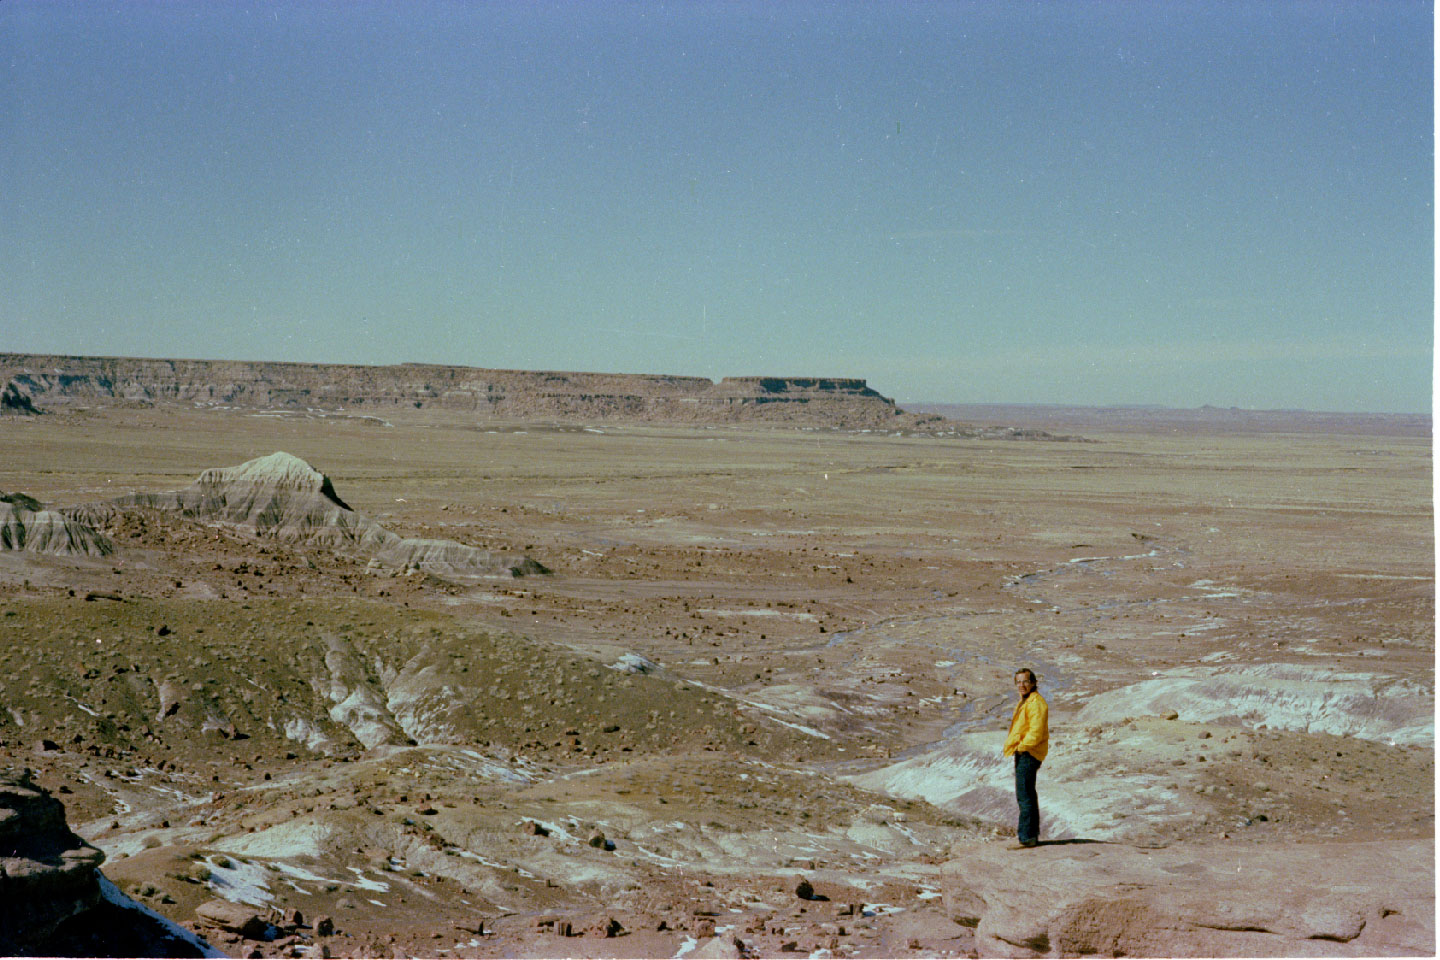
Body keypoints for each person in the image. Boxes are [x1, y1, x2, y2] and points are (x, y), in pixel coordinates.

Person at [1002, 667, 1048, 848]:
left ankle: (1027, 837)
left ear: (1034, 683)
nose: (1021, 685)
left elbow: (1035, 732)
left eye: (1025, 681)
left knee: (1024, 795)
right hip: (1025, 751)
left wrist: (1021, 747)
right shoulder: (1027, 700)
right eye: (1018, 682)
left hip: (1029, 753)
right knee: (1027, 793)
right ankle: (1030, 835)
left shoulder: (1036, 703)